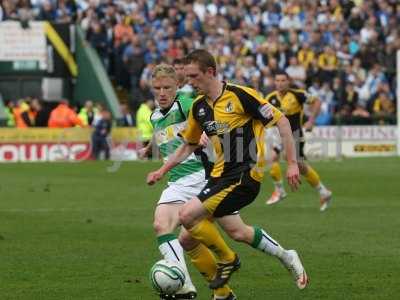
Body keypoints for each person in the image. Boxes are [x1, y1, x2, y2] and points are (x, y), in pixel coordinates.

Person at [147, 49, 308, 293]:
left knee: (187, 217)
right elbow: (188, 144)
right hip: (218, 178)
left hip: (244, 174)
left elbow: (282, 122)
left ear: (210, 72)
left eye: (193, 76)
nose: (189, 82)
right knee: (203, 236)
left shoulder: (241, 95)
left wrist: (293, 162)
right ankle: (285, 257)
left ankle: (228, 259)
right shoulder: (200, 107)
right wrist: (162, 170)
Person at [141, 63, 236, 300]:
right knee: (163, 227)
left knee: (235, 232)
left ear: (177, 87)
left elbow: (203, 115)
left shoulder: (185, 103)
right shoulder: (154, 115)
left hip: (200, 176)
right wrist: (149, 148)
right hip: (177, 180)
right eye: (157, 88)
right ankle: (188, 287)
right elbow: (161, 133)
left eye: (167, 87)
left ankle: (193, 287)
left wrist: (205, 132)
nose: (162, 93)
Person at [264, 71, 332, 211]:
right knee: (271, 157)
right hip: (279, 136)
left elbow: (317, 101)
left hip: (295, 135)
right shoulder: (270, 98)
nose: (280, 83)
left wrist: (312, 120)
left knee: (299, 166)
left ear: (288, 82)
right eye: (278, 80)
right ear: (274, 82)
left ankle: (323, 192)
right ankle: (280, 191)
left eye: (283, 80)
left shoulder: (297, 94)